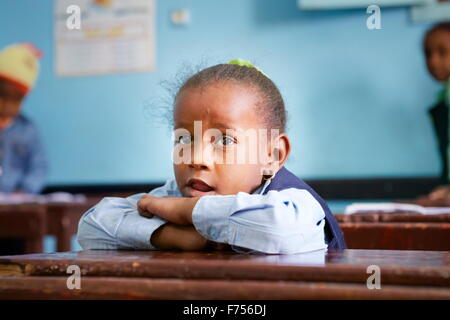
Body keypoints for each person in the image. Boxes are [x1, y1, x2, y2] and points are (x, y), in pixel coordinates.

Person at [77, 59, 346, 254]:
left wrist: (186, 212)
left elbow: (280, 231)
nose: (196, 158)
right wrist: (171, 236)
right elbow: (92, 226)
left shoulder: (295, 203)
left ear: (272, 156)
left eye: (225, 140)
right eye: (184, 138)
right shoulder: (178, 192)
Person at [0, 43, 47, 194]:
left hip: (18, 207)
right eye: (3, 96)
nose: (6, 105)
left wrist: (24, 192)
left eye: (14, 100)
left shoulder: (28, 130)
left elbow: (39, 168)